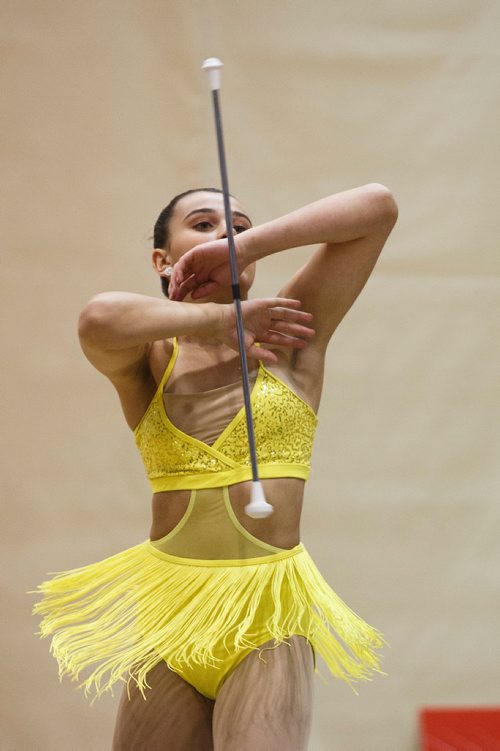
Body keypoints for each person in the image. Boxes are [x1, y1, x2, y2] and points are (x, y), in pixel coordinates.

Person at [33, 183, 398, 750]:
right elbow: (98, 317)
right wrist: (216, 320)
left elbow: (377, 207)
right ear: (163, 259)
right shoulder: (151, 358)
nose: (227, 233)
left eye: (239, 226)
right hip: (170, 614)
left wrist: (248, 247)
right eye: (204, 225)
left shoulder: (287, 332)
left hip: (266, 619)